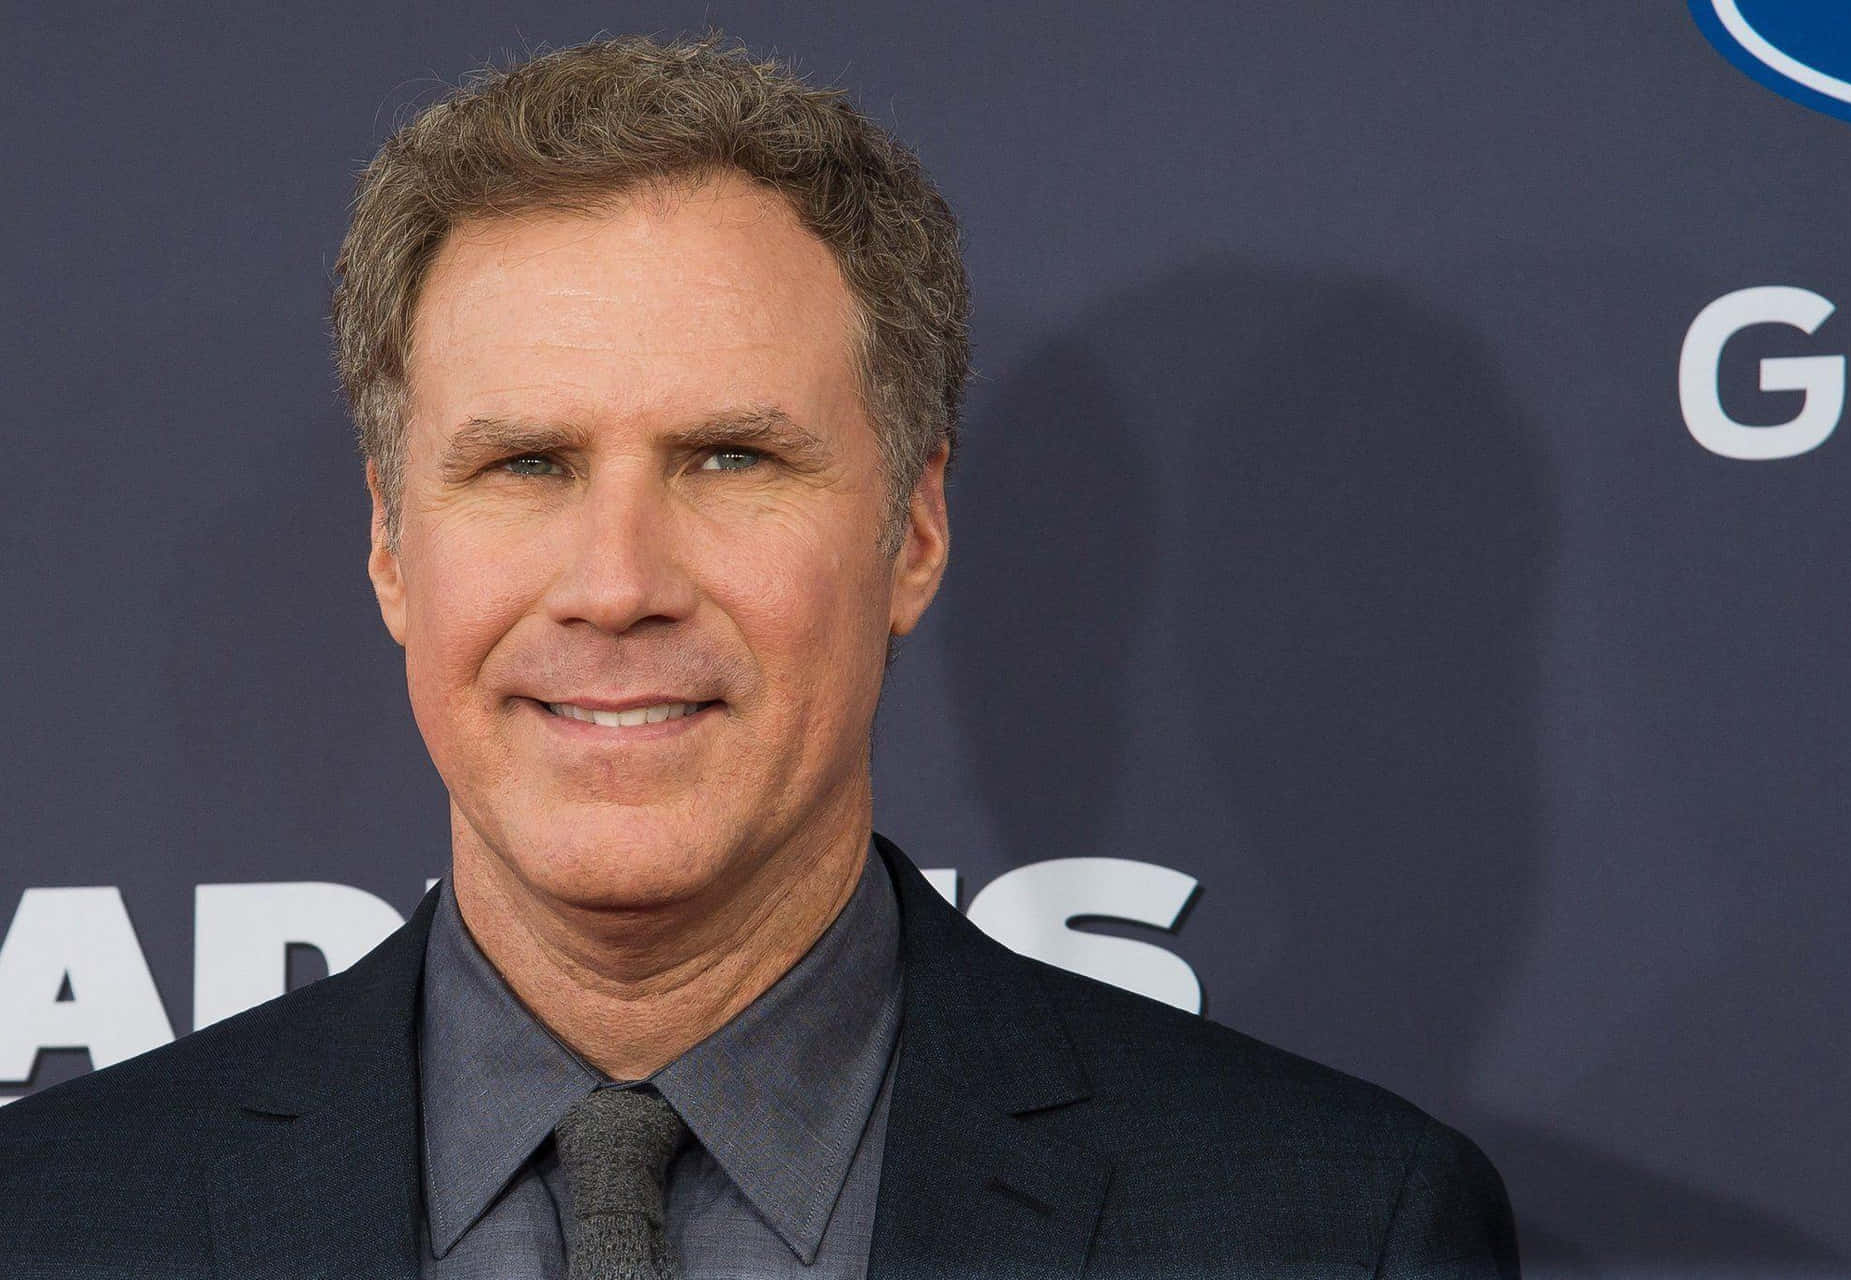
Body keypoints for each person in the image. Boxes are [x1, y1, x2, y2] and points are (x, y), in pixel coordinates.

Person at [0, 33, 1519, 1279]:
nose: (616, 585)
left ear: (913, 533)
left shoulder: (1330, 1230)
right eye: (525, 464)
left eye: (730, 459)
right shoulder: (54, 1224)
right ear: (395, 547)